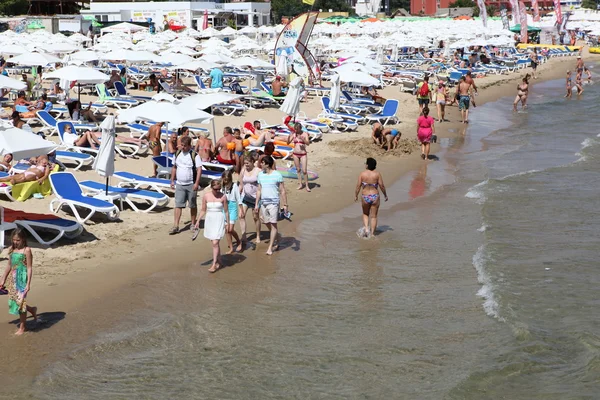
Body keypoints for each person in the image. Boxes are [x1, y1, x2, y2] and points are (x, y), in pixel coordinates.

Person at [0, 229, 37, 335]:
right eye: (14, 240)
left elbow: (29, 268)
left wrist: (28, 284)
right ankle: (32, 310)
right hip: (13, 278)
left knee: (20, 303)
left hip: (22, 278)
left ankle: (22, 328)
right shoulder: (12, 249)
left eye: (18, 240)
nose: (16, 242)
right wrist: (3, 278)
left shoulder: (27, 250)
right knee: (16, 301)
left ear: (23, 239)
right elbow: (9, 265)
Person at [255, 155, 288, 255]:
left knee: (273, 224)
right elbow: (259, 190)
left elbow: (282, 190)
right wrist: (256, 204)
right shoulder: (260, 175)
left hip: (274, 203)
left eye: (262, 163)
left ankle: (270, 247)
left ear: (267, 164)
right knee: (266, 222)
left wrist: (285, 204)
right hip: (264, 203)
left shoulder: (277, 175)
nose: (260, 164)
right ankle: (277, 237)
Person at [170, 136, 202, 236]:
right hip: (179, 184)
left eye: (184, 146)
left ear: (189, 146)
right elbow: (174, 167)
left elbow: (199, 170)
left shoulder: (194, 155)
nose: (182, 147)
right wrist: (172, 180)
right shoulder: (177, 153)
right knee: (178, 204)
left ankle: (192, 223)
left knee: (192, 204)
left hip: (191, 183)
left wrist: (197, 183)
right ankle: (176, 225)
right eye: (181, 145)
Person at [195, 179, 229, 273]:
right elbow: (203, 210)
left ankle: (214, 264)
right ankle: (220, 260)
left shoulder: (223, 197)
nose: (218, 191)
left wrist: (228, 223)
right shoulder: (206, 196)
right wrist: (197, 221)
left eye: (219, 189)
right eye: (216, 189)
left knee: (215, 243)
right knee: (215, 243)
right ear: (211, 188)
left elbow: (226, 211)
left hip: (219, 219)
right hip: (210, 219)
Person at [354, 157, 388, 238]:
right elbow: (381, 186)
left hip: (365, 196)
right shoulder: (377, 174)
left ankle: (366, 229)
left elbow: (358, 186)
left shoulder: (362, 174)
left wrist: (356, 195)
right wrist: (385, 195)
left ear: (367, 165)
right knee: (374, 216)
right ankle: (372, 234)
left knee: (365, 213)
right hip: (375, 196)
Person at [238, 152, 261, 248]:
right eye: (244, 163)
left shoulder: (258, 171)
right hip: (245, 196)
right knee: (241, 215)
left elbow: (260, 186)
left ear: (252, 162)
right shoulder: (243, 170)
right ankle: (244, 236)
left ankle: (258, 235)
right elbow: (240, 184)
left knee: (255, 217)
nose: (246, 165)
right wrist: (238, 196)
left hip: (255, 197)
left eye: (247, 163)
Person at [221, 169, 242, 253]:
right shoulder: (222, 186)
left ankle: (238, 241)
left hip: (232, 206)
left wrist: (241, 210)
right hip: (224, 207)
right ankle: (231, 247)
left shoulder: (234, 186)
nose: (225, 181)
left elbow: (238, 198)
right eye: (224, 179)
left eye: (227, 180)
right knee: (226, 229)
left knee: (230, 229)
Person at [287, 124, 311, 192]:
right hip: (295, 154)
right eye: (295, 129)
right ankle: (300, 184)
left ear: (300, 128)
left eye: (297, 129)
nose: (296, 130)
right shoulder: (294, 134)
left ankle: (306, 185)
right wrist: (288, 137)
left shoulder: (305, 134)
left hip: (303, 154)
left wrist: (303, 139)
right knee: (298, 170)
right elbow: (288, 143)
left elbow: (308, 143)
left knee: (304, 171)